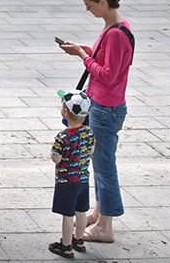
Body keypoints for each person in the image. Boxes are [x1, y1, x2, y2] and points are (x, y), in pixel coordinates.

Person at [60, 0, 134, 244]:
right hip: (103, 105)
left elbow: (107, 75)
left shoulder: (115, 32)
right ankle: (100, 213)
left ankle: (105, 226)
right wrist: (85, 50)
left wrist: (83, 56)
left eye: (90, 6)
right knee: (100, 162)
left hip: (106, 107)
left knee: (104, 167)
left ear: (103, 2)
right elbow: (106, 60)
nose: (88, 10)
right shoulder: (116, 26)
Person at [49, 89, 95, 259]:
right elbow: (91, 150)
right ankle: (79, 240)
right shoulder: (89, 133)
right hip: (83, 179)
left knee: (68, 215)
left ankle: (66, 246)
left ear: (65, 112)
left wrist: (54, 147)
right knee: (81, 211)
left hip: (66, 181)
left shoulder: (62, 137)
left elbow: (56, 159)